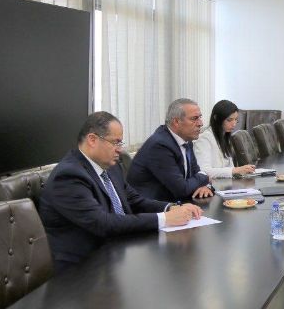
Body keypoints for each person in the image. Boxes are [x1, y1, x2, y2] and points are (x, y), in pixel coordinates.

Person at [39, 112, 203, 267]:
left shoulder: (111, 166)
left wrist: (171, 208)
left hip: (118, 251)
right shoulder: (69, 176)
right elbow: (102, 223)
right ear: (92, 139)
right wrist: (164, 218)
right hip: (83, 267)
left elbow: (134, 200)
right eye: (115, 142)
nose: (119, 149)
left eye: (120, 143)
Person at [128, 98, 213, 203]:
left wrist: (206, 186)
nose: (200, 123)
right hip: (153, 208)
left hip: (177, 203)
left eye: (200, 117)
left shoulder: (186, 139)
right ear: (176, 122)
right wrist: (205, 177)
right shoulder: (160, 145)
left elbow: (196, 173)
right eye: (194, 118)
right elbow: (182, 189)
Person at [195, 99, 256, 179]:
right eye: (229, 120)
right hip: (212, 185)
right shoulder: (204, 139)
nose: (234, 124)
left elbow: (230, 167)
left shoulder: (225, 136)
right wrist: (235, 170)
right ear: (216, 118)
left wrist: (241, 171)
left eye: (236, 119)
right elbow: (204, 171)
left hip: (225, 183)